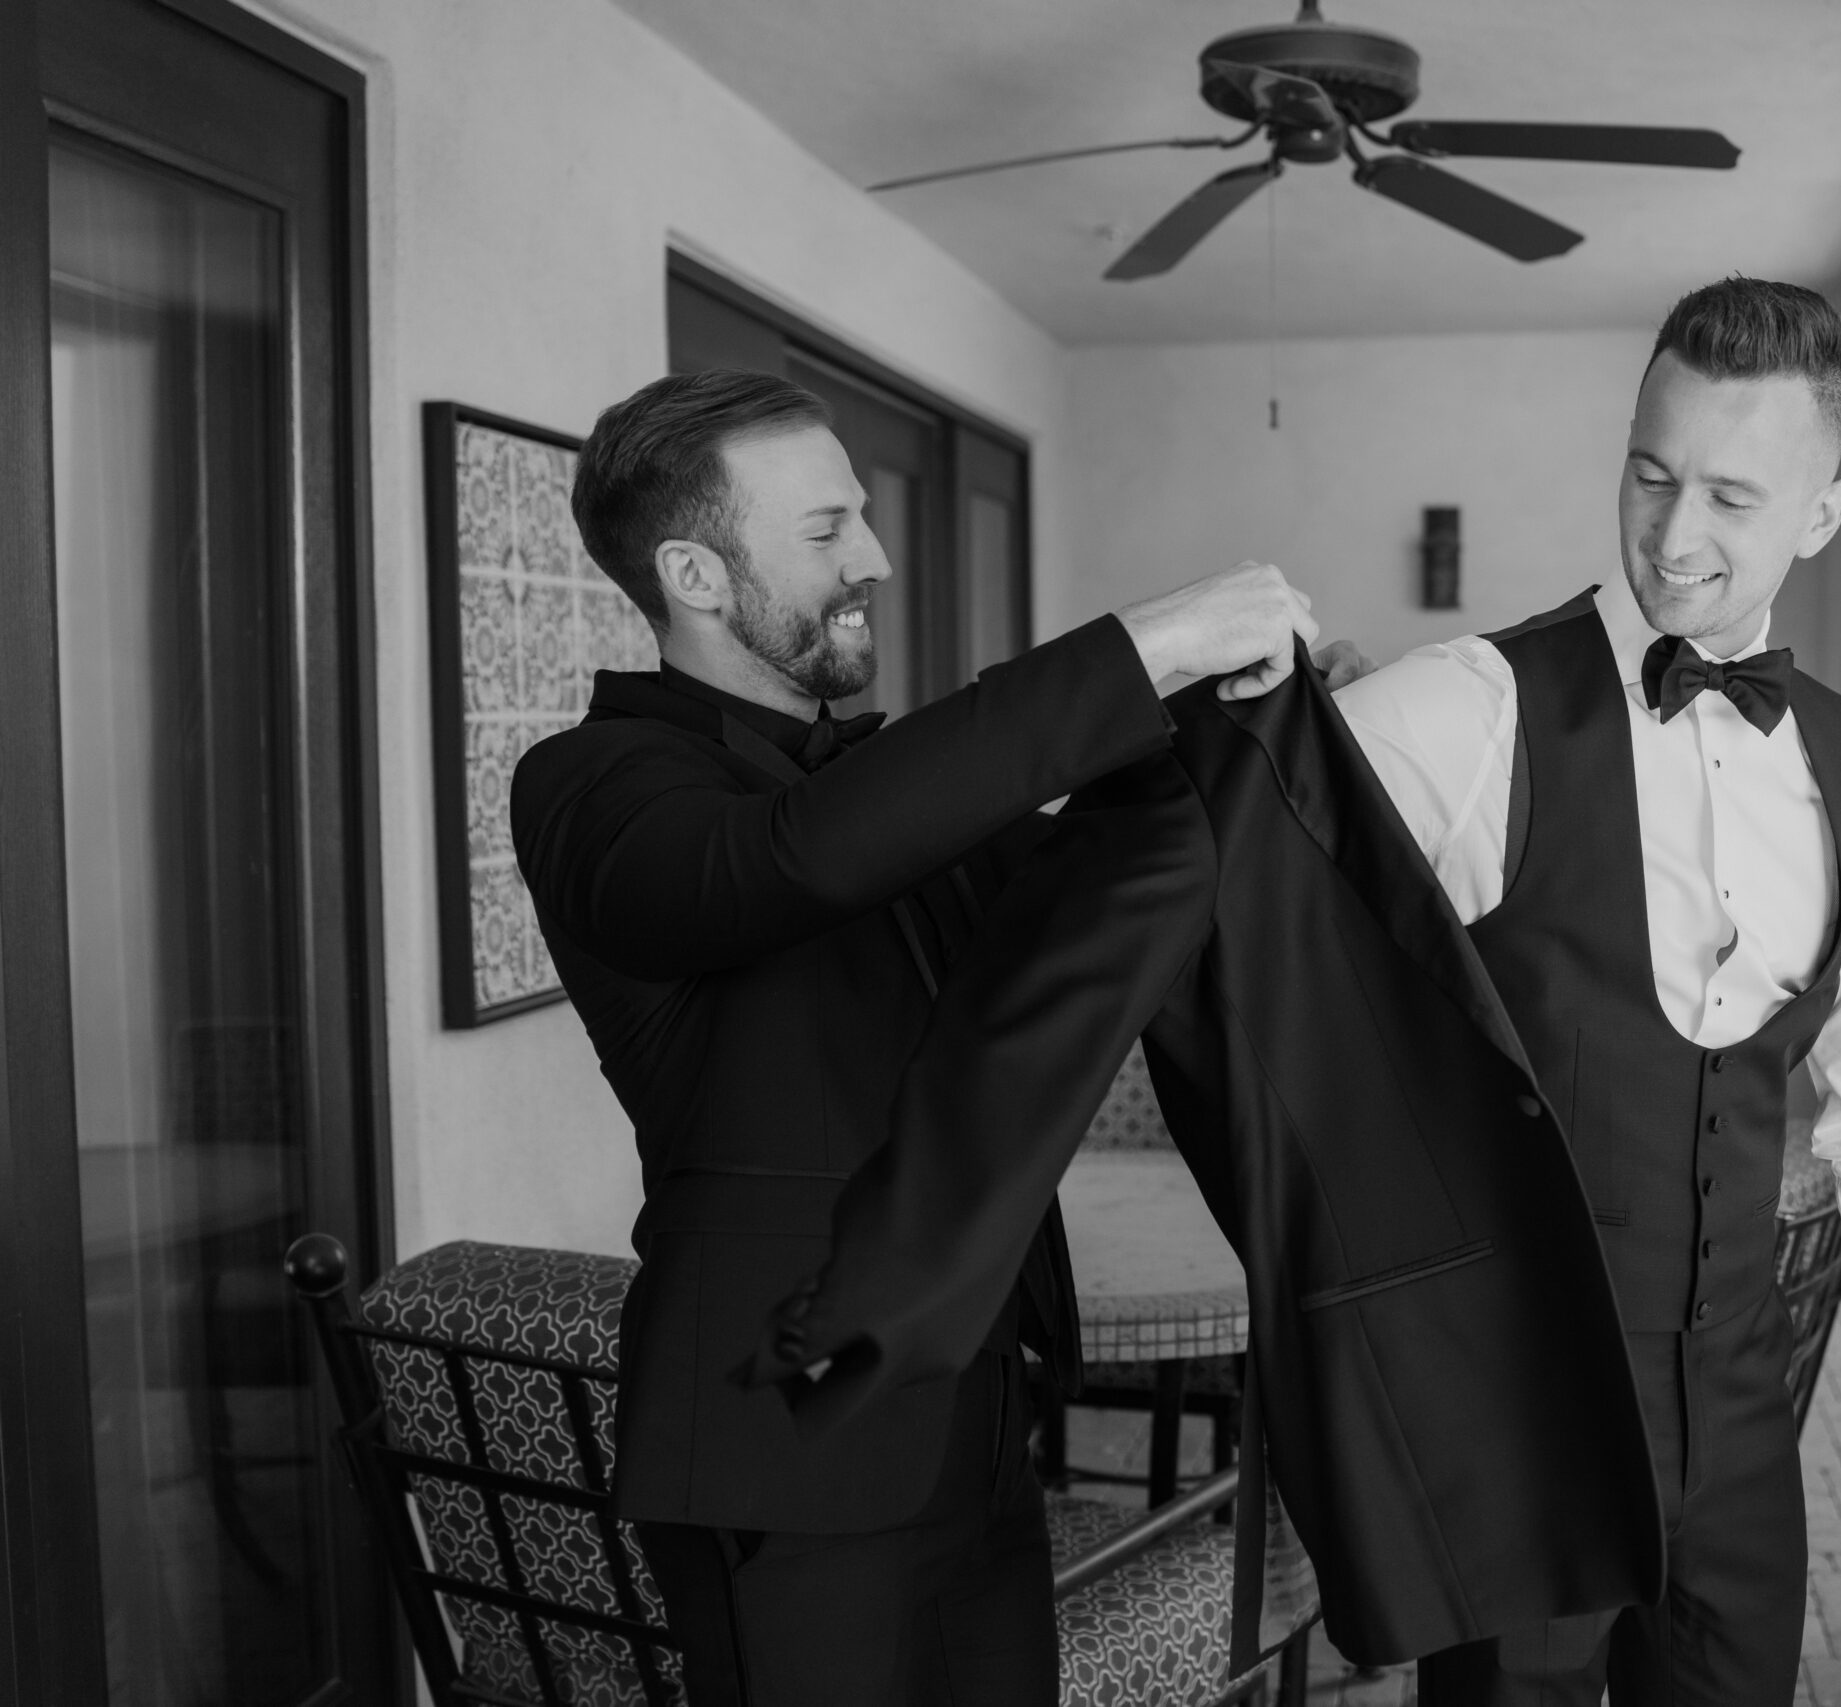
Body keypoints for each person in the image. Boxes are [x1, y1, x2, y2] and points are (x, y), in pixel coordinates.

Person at [509, 367, 1318, 1706]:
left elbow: (1093, 889)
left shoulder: (880, 796)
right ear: (695, 576)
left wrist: (1237, 733)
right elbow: (795, 862)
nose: (875, 558)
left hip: (979, 1421)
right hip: (779, 1450)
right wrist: (1143, 642)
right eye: (828, 529)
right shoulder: (592, 787)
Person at [1329, 276, 1841, 1705]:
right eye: (1650, 472)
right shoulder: (1471, 707)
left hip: (1747, 1420)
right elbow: (1240, 882)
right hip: (1523, 1418)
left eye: (1734, 500)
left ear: (1823, 514)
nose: (1674, 536)